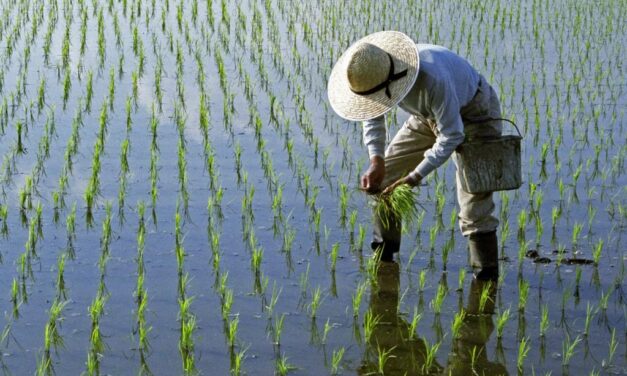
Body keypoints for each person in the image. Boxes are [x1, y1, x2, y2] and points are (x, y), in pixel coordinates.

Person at [328, 31, 503, 280]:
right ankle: (384, 256)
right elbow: (373, 116)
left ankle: (485, 277)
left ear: (391, 82)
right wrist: (376, 160)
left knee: (474, 201)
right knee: (386, 178)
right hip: (427, 116)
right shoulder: (373, 77)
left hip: (476, 113)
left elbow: (452, 135)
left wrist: (414, 177)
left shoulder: (433, 78)